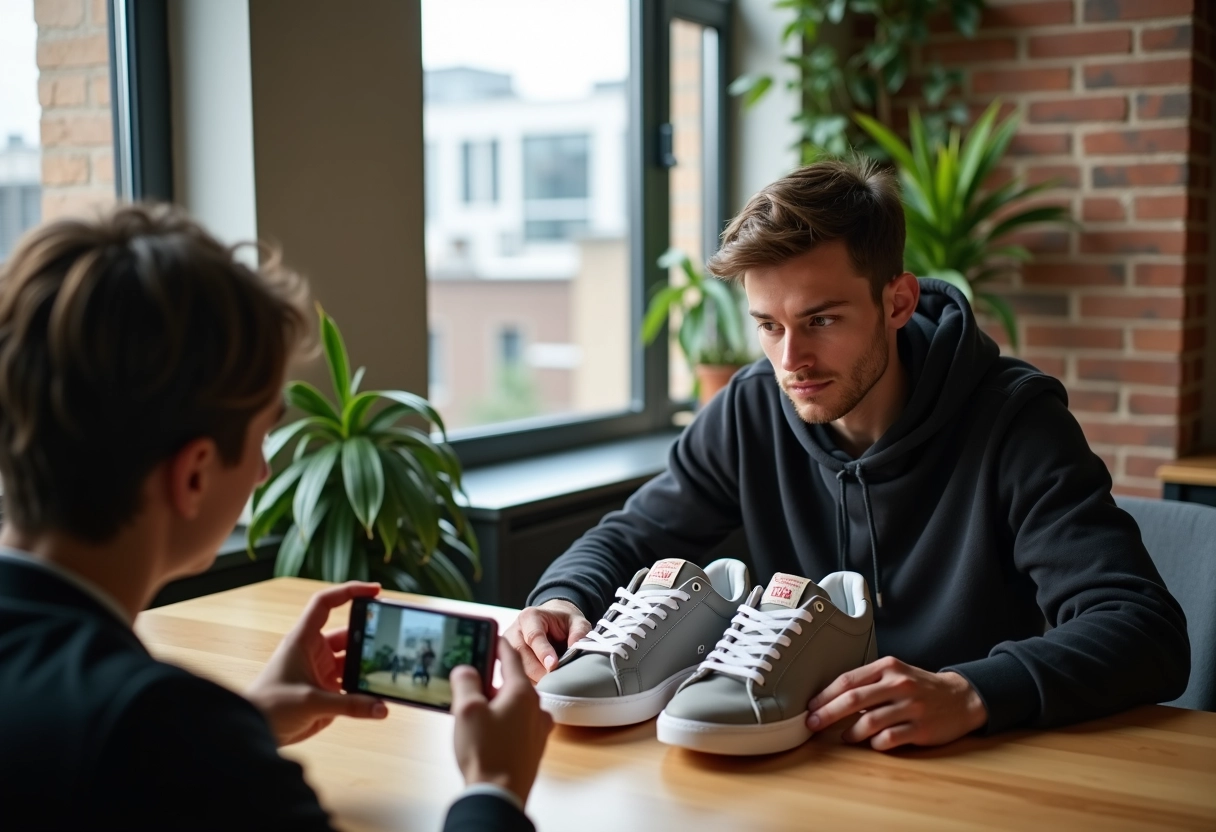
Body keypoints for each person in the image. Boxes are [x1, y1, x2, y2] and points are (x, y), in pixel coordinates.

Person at [506, 158, 1190, 750]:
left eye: (820, 321)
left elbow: (1142, 630)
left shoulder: (1014, 419)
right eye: (768, 326)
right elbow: (632, 534)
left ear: (897, 301)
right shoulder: (750, 407)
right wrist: (564, 597)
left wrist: (970, 692)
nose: (790, 361)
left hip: (968, 766)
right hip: (797, 751)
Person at [0, 205, 552, 831]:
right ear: (194, 475)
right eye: (263, 437)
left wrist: (248, 722)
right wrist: (495, 790)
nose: (263, 473)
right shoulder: (166, 735)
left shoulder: (170, 740)